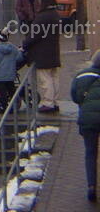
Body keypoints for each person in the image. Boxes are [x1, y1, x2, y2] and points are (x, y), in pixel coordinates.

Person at [23, 0, 62, 113]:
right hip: (53, 51)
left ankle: (48, 103)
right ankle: (54, 101)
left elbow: (34, 35)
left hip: (42, 53)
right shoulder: (55, 14)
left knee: (45, 79)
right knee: (54, 77)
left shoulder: (42, 16)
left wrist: (25, 44)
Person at [71, 50, 100, 202]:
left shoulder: (81, 75)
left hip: (88, 119)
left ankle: (91, 186)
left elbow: (75, 96)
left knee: (90, 152)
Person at [0, 29, 23, 113]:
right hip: (10, 75)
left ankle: (3, 107)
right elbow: (19, 58)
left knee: (2, 93)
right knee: (12, 91)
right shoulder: (13, 48)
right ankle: (15, 105)